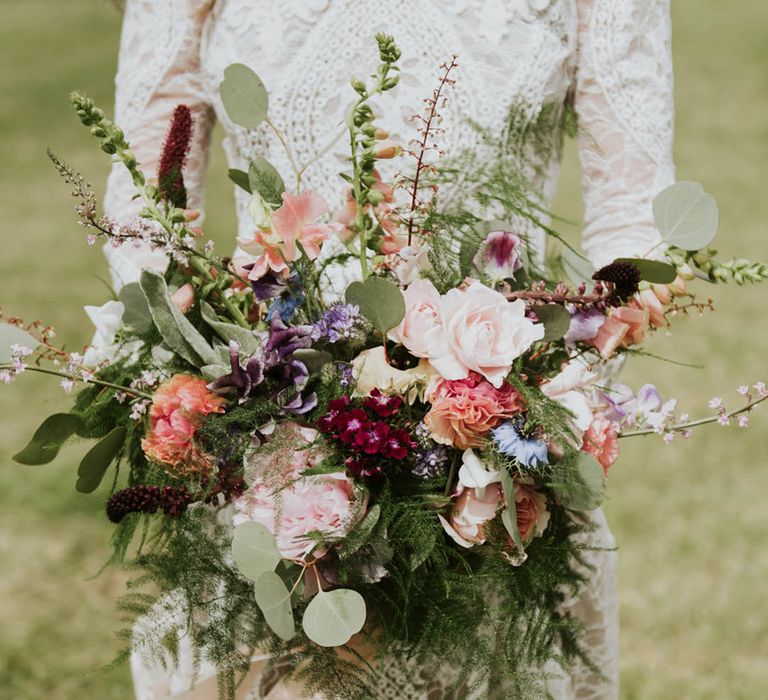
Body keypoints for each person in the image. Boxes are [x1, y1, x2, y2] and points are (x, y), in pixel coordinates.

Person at [104, 1, 675, 698]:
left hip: (487, 464)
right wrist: (218, 373)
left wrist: (528, 405)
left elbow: (634, 217)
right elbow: (144, 204)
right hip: (269, 446)